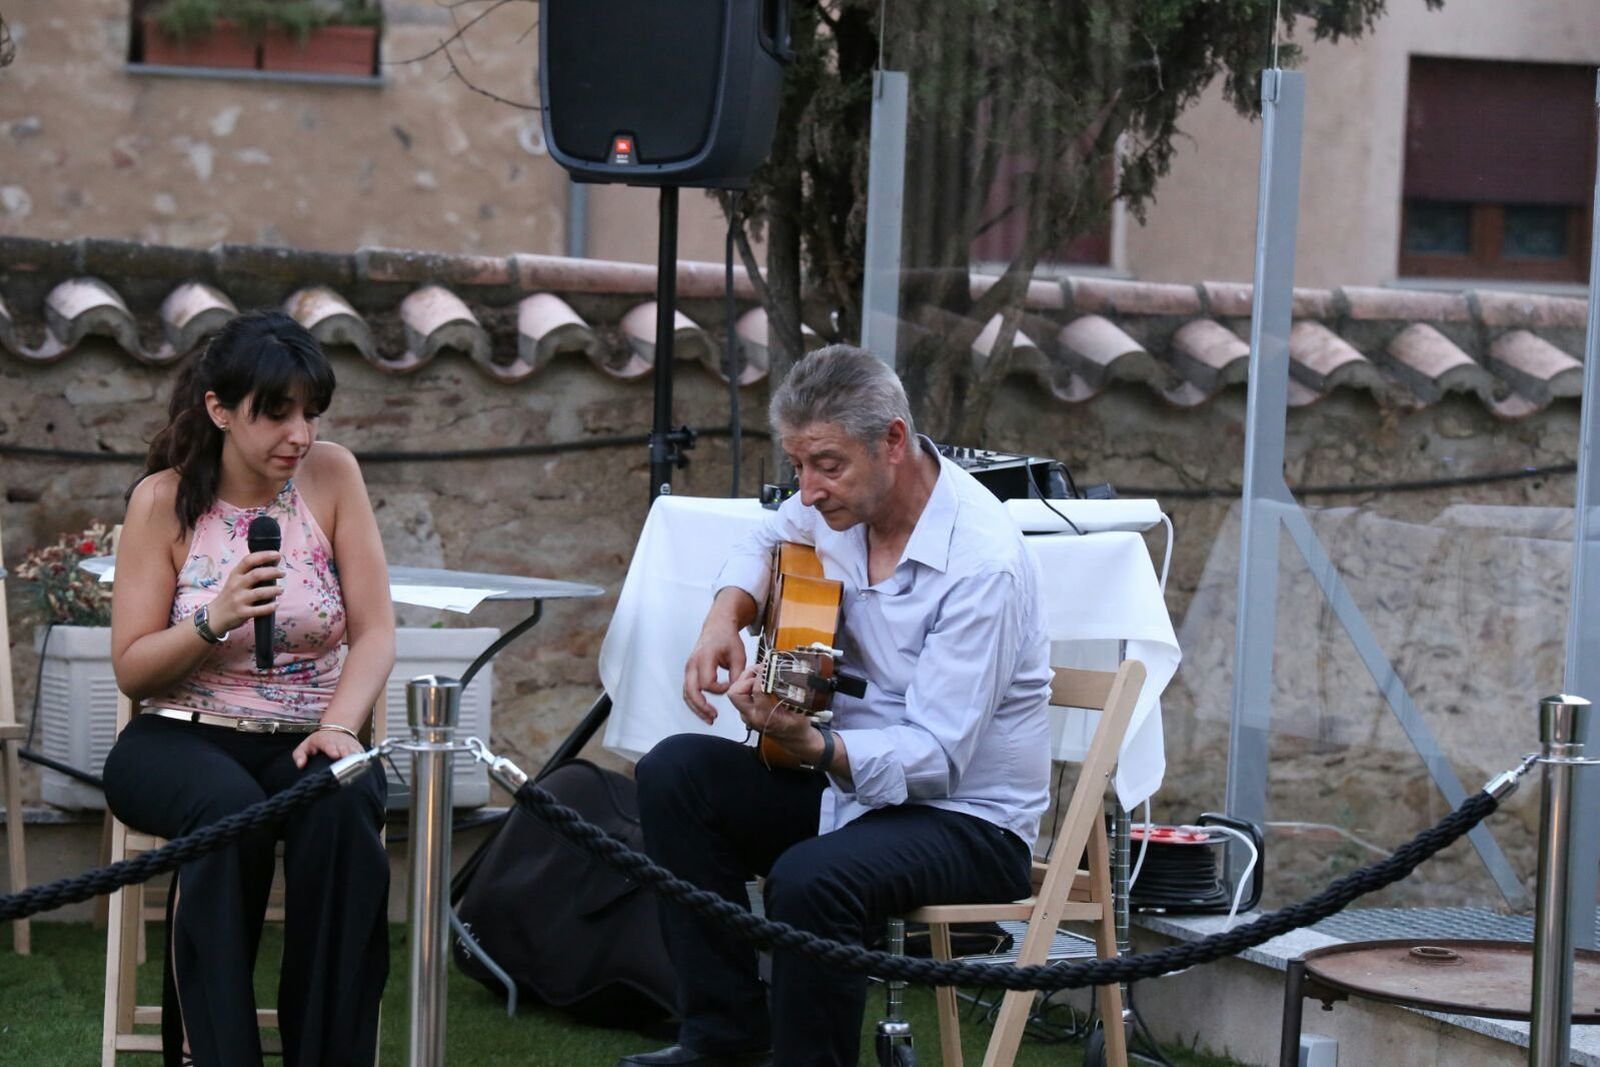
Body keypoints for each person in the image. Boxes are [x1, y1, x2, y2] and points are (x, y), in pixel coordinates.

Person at [626, 345, 1054, 1067]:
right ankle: (722, 1037)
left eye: (826, 464)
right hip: (848, 790)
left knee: (812, 875)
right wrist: (723, 619)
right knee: (675, 772)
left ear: (893, 440)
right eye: (798, 465)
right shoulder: (835, 503)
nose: (809, 488)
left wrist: (813, 746)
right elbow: (766, 533)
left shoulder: (986, 562)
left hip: (968, 820)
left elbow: (937, 756)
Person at [104, 309, 394, 1067]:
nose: (299, 433)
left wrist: (340, 724)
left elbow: (376, 632)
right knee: (229, 813)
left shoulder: (333, 475)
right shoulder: (162, 501)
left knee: (344, 800)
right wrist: (213, 618)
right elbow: (132, 666)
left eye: (310, 411)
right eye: (277, 412)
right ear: (220, 409)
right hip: (178, 733)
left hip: (305, 731)